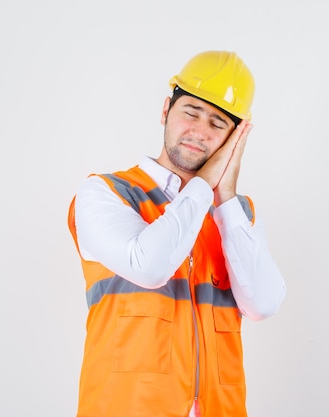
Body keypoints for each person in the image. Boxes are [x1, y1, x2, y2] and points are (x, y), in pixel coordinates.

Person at [67, 50, 287, 417]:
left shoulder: (238, 214)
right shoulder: (108, 193)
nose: (200, 132)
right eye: (191, 112)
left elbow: (263, 304)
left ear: (235, 139)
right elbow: (150, 266)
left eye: (218, 124)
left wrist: (226, 199)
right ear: (165, 110)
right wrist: (203, 185)